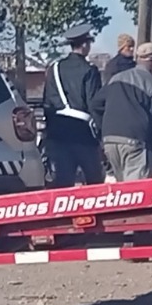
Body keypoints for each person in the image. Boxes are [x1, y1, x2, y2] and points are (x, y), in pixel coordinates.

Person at [94, 42, 152, 181]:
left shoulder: (115, 79)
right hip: (135, 144)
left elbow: (95, 105)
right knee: (137, 193)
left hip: (110, 141)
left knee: (122, 192)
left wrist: (103, 128)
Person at [42, 23, 104, 187]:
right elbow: (94, 104)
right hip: (83, 135)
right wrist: (100, 135)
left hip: (59, 134)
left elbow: (47, 103)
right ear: (84, 45)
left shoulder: (55, 68)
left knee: (63, 184)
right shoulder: (90, 70)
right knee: (94, 182)